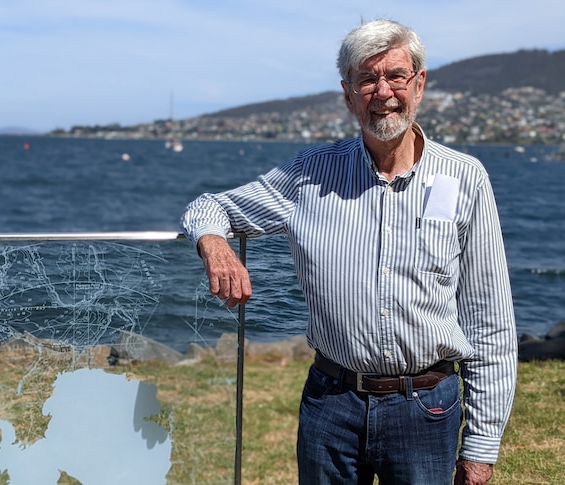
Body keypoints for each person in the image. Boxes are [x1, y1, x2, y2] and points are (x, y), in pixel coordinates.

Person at [181, 18, 517, 485]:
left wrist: (480, 448)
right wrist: (215, 243)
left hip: (425, 406)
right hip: (330, 404)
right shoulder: (309, 175)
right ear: (347, 94)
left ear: (419, 84)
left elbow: (490, 322)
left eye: (396, 75)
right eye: (367, 79)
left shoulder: (466, 178)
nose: (383, 91)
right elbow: (209, 206)